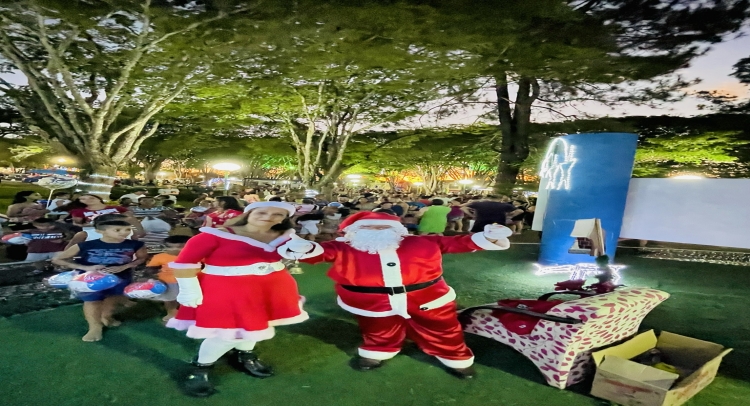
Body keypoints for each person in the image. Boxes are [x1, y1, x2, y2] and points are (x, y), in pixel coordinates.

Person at [278, 211, 511, 379]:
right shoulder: (343, 246)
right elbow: (318, 252)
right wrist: (303, 248)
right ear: (353, 232)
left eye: (383, 227)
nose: (376, 231)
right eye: (368, 227)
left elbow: (463, 242)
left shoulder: (425, 241)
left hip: (428, 298)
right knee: (377, 329)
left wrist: (489, 236)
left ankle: (455, 357)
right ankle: (379, 350)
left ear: (397, 230)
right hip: (370, 302)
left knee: (443, 328)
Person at [167, 201, 309, 397]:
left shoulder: (285, 236)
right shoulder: (216, 234)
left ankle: (245, 355)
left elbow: (306, 253)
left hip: (271, 289)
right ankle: (201, 367)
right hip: (226, 291)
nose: (269, 217)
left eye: (278, 214)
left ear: (285, 219)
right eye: (262, 212)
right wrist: (188, 289)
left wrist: (305, 249)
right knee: (227, 332)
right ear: (248, 213)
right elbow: (185, 263)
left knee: (256, 325)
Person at [52, 216, 148, 342]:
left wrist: (125, 266)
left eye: (127, 229)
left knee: (112, 298)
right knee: (92, 300)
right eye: (118, 230)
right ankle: (94, 327)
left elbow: (141, 258)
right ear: (100, 231)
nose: (124, 233)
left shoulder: (136, 244)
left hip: (121, 276)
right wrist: (85, 267)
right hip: (90, 280)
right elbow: (57, 259)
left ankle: (106, 316)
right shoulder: (85, 245)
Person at [144, 235, 191, 321]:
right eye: (169, 247)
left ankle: (188, 312)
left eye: (180, 247)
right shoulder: (160, 257)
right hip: (169, 281)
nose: (173, 249)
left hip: (192, 281)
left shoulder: (198, 255)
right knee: (169, 299)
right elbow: (150, 268)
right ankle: (171, 313)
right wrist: (152, 276)